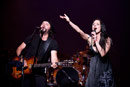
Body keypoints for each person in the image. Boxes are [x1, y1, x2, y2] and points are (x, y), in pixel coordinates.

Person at [60, 14, 115, 87]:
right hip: (93, 68)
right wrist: (69, 21)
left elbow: (102, 53)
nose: (94, 25)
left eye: (97, 24)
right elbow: (79, 31)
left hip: (104, 68)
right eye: (93, 24)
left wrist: (95, 40)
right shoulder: (90, 39)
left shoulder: (107, 39)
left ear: (101, 27)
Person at [16, 20, 59, 87]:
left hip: (39, 73)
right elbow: (19, 49)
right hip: (26, 71)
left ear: (50, 29)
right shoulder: (32, 37)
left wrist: (55, 63)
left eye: (47, 24)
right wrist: (22, 59)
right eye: (42, 23)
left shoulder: (52, 43)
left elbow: (54, 58)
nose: (43, 25)